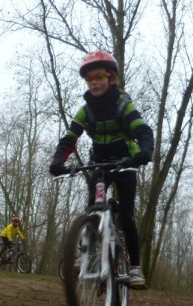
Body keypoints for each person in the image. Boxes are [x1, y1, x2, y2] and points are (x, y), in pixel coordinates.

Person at [49, 50, 154, 287]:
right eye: (89, 79)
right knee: (92, 208)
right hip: (99, 162)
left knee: (126, 215)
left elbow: (142, 131)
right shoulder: (85, 111)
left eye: (99, 76)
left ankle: (135, 268)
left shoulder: (123, 105)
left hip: (125, 162)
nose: (94, 82)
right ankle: (87, 252)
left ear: (111, 79)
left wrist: (144, 152)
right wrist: (58, 161)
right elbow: (69, 139)